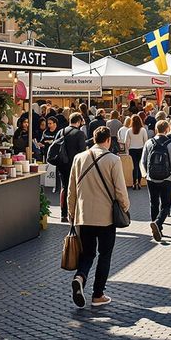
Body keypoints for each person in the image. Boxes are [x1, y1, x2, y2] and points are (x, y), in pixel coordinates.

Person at [67, 126, 130, 308]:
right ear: (108, 140)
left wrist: (72, 212)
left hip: (84, 215)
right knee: (105, 254)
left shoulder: (79, 158)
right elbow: (120, 189)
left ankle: (80, 277)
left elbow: (72, 189)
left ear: (93, 139)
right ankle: (98, 294)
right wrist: (125, 207)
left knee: (87, 253)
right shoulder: (113, 159)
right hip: (106, 216)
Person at [144, 120, 171, 242]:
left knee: (153, 203)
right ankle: (158, 223)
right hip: (166, 178)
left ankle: (156, 227)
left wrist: (146, 174)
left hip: (151, 178)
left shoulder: (149, 143)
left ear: (156, 129)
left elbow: (143, 161)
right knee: (166, 204)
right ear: (167, 130)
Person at [48, 113, 89, 223]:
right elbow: (83, 152)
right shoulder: (79, 134)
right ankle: (74, 213)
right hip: (74, 165)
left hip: (62, 164)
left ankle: (63, 214)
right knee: (75, 189)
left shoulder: (60, 132)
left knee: (64, 188)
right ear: (79, 122)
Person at [120, 115, 148, 191]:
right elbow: (146, 141)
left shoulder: (129, 131)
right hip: (141, 149)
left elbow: (126, 142)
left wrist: (127, 151)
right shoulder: (143, 130)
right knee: (139, 166)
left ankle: (133, 183)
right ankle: (139, 183)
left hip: (132, 150)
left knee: (134, 166)